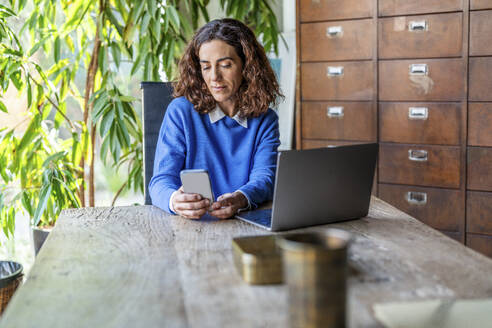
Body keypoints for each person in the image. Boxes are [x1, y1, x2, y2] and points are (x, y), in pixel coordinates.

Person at [149, 18, 282, 220]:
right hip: (190, 227)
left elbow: (265, 178)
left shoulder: (265, 119)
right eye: (206, 67)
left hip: (245, 223)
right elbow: (160, 181)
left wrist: (241, 198)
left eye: (225, 65)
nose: (214, 77)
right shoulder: (181, 112)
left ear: (247, 66)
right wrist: (174, 200)